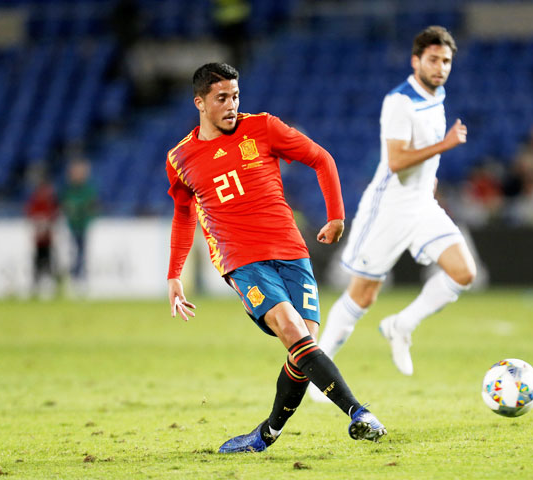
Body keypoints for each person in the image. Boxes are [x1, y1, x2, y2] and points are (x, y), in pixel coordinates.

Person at [165, 62, 386, 453]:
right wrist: (174, 274)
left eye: (235, 95)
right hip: (241, 259)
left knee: (303, 349)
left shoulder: (263, 127)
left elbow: (322, 158)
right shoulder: (181, 158)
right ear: (200, 102)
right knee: (290, 327)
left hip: (290, 250)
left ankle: (266, 434)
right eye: (221, 98)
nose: (232, 104)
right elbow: (183, 213)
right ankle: (358, 412)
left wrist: (336, 215)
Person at [310, 26, 476, 396]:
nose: (441, 67)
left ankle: (401, 325)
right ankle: (318, 379)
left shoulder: (438, 95)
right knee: (362, 295)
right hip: (388, 209)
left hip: (421, 205)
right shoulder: (399, 101)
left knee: (464, 272)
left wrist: (430, 180)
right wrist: (445, 145)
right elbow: (398, 160)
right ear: (416, 60)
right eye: (433, 59)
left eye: (446, 61)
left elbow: (418, 159)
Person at [61, 158, 98, 283]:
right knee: (72, 252)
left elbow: (93, 207)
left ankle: (80, 276)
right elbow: (64, 207)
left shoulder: (88, 190)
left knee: (82, 252)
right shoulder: (67, 190)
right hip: (71, 226)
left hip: (83, 226)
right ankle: (73, 276)